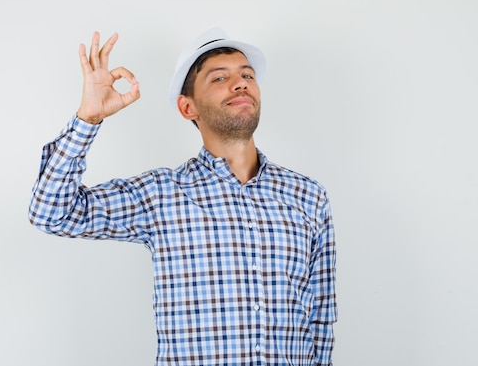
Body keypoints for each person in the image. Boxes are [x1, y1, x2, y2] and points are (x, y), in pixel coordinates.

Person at [29, 28, 337, 366]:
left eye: (247, 74)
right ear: (188, 107)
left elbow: (320, 321)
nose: (241, 83)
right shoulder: (161, 195)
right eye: (220, 77)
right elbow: (51, 213)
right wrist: (88, 120)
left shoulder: (308, 197)